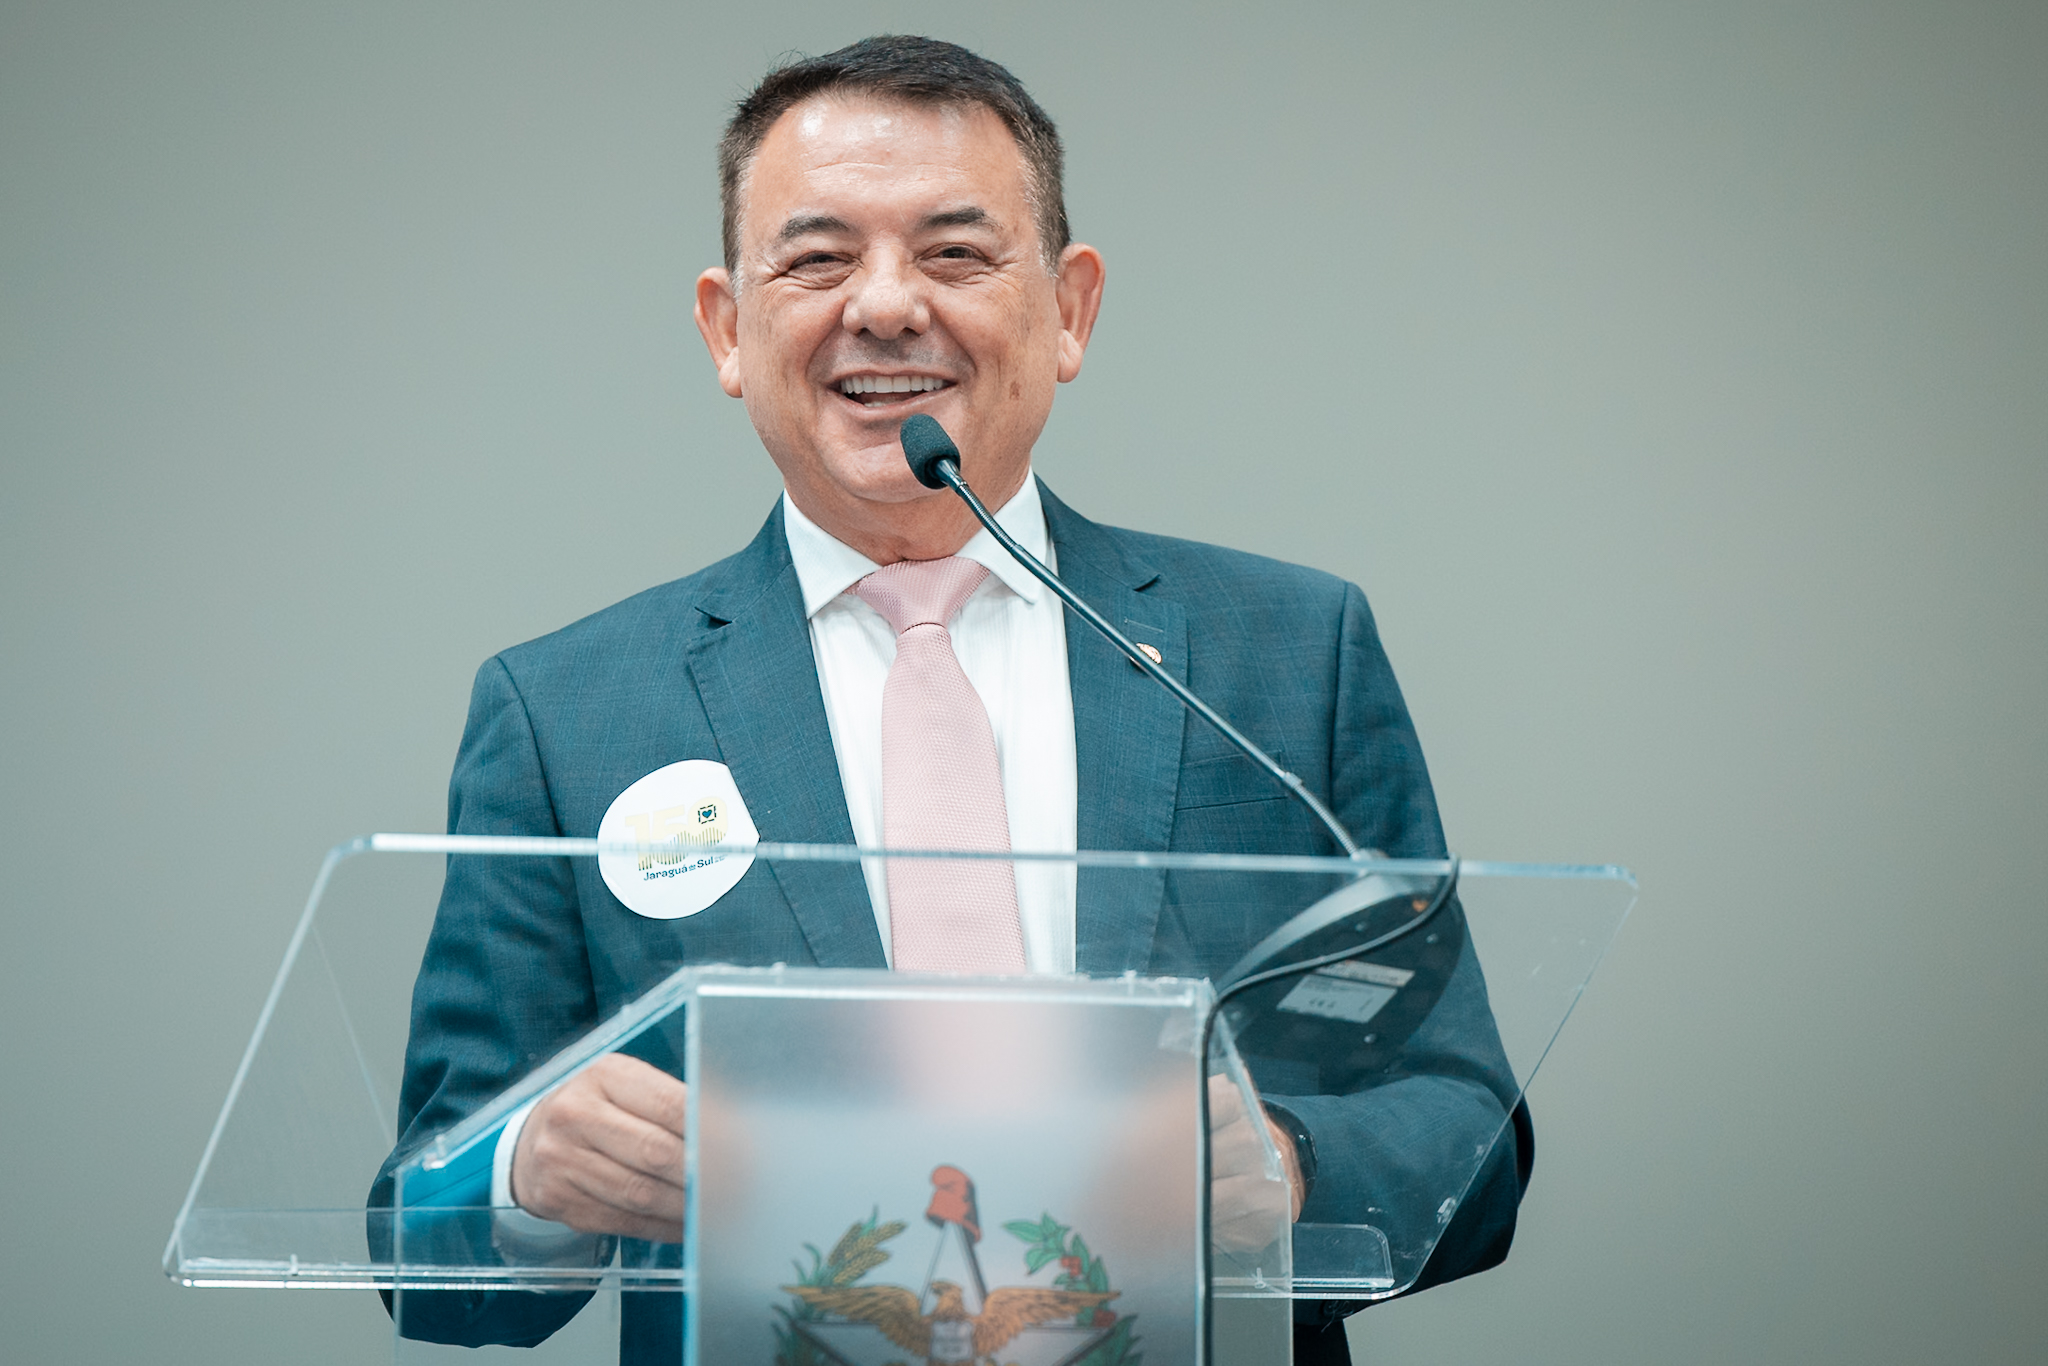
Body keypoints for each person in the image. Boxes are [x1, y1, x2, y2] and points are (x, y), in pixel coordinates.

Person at [377, 35, 1526, 1366]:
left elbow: (1471, 1134)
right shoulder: (566, 715)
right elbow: (424, 1254)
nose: (883, 306)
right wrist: (526, 1170)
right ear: (727, 330)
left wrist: (1288, 1163)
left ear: (1071, 310)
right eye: (817, 259)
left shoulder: (1284, 654)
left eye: (955, 254)